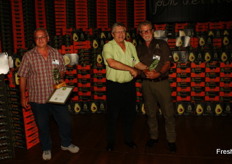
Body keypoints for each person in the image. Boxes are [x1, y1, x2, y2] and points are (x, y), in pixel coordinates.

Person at [18, 28, 79, 160]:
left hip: (57, 96)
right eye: (37, 37)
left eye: (42, 36)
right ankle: (46, 148)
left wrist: (59, 77)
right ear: (34, 40)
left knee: (66, 121)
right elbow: (22, 77)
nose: (40, 39)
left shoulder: (55, 53)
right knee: (43, 125)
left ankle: (66, 143)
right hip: (38, 99)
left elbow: (62, 70)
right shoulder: (28, 56)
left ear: (48, 38)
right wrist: (23, 96)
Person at [102, 22, 148, 151]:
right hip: (114, 87)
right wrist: (131, 69)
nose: (121, 34)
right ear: (112, 34)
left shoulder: (130, 46)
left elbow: (136, 62)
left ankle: (128, 140)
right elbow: (111, 63)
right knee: (112, 116)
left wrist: (147, 69)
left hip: (129, 86)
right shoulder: (108, 46)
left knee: (129, 114)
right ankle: (110, 142)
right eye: (117, 31)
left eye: (123, 31)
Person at [136, 20, 177, 152]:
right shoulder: (138, 48)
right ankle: (154, 137)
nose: (145, 33)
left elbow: (167, 63)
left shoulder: (162, 44)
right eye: (142, 31)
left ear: (153, 31)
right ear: (140, 33)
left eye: (147, 30)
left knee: (168, 113)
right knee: (150, 113)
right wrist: (140, 72)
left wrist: (158, 74)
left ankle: (171, 140)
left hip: (161, 83)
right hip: (146, 84)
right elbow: (135, 65)